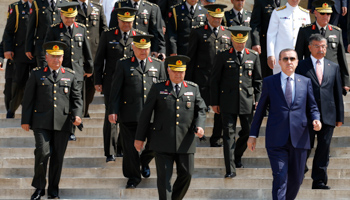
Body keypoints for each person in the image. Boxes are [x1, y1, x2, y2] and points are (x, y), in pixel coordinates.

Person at [248, 49, 322, 200]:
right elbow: (260, 110)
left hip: (300, 138)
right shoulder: (270, 82)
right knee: (280, 175)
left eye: (292, 59)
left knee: (297, 179)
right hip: (276, 139)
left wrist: (316, 118)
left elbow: (312, 106)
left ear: (297, 62)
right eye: (285, 59)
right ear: (279, 62)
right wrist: (252, 135)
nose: (289, 62)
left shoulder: (305, 82)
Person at [134, 55, 207, 200]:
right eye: (175, 71)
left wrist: (200, 126)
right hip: (162, 141)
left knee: (187, 174)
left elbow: (201, 109)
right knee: (164, 179)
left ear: (185, 72)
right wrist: (139, 138)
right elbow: (146, 115)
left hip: (186, 141)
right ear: (168, 70)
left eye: (181, 71)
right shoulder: (158, 88)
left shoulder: (193, 88)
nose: (178, 74)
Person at [21, 41, 83, 200]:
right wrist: (25, 120)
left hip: (63, 123)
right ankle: (39, 188)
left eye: (59, 57)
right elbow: (28, 99)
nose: (57, 60)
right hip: (41, 122)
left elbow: (76, 98)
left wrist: (77, 114)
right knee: (42, 152)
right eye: (53, 57)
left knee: (58, 157)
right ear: (46, 57)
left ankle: (53, 189)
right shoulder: (36, 74)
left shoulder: (70, 75)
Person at [108, 35, 167, 189]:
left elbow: (164, 91)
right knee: (129, 148)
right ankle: (133, 177)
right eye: (140, 48)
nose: (143, 51)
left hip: (153, 115)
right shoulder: (123, 64)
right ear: (133, 48)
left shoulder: (158, 65)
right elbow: (116, 90)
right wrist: (113, 110)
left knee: (154, 145)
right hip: (130, 113)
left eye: (146, 48)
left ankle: (144, 162)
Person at [94, 7, 144, 162]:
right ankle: (110, 151)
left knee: (127, 116)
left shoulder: (139, 37)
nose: (126, 25)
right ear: (118, 21)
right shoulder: (108, 35)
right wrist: (97, 81)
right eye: (123, 22)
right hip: (111, 83)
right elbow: (99, 59)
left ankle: (122, 147)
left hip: (131, 85)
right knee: (111, 116)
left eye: (129, 22)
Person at [211, 26, 262, 174]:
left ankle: (237, 155)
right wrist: (214, 102)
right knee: (228, 135)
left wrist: (258, 99)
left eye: (243, 42)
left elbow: (258, 81)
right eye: (237, 41)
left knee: (248, 131)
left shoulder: (253, 56)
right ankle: (230, 169)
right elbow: (215, 80)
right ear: (232, 39)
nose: (240, 45)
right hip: (227, 101)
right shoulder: (222, 55)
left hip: (246, 101)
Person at [296, 34, 344, 190]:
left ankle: (319, 180)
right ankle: (300, 170)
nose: (321, 49)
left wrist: (339, 116)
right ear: (310, 47)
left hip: (328, 114)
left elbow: (337, 93)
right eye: (317, 46)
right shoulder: (301, 66)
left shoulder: (333, 67)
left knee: (324, 148)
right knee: (304, 146)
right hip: (306, 114)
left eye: (323, 46)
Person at [44, 1, 94, 140]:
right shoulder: (54, 29)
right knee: (64, 102)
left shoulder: (81, 29)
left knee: (75, 100)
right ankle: (67, 128)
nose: (70, 20)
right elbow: (46, 49)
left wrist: (89, 67)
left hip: (77, 72)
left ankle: (72, 129)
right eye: (67, 17)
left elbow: (86, 50)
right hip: (62, 72)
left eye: (72, 17)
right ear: (61, 15)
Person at [186, 4, 231, 148]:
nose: (217, 20)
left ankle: (216, 138)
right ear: (207, 16)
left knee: (220, 111)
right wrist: (188, 80)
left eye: (219, 17)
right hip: (202, 78)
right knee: (198, 109)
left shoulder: (227, 33)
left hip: (221, 80)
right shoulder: (198, 32)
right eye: (214, 17)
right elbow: (191, 58)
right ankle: (195, 134)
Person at [295, 0, 350, 95]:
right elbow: (298, 56)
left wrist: (346, 81)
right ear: (315, 13)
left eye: (328, 14)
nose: (326, 16)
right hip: (311, 76)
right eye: (322, 13)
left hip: (331, 77)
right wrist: (297, 78)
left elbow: (342, 59)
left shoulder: (336, 32)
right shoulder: (305, 31)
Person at [73, 0, 108, 117]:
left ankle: (85, 108)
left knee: (91, 86)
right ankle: (79, 111)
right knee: (77, 85)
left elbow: (104, 30)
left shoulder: (97, 7)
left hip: (94, 52)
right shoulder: (71, 6)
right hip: (77, 52)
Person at [3, 0, 37, 118]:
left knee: (36, 83)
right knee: (19, 84)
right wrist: (7, 49)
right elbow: (8, 31)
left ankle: (34, 112)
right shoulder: (16, 8)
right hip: (21, 53)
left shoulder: (42, 6)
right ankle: (12, 109)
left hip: (37, 53)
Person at [266, 0, 310, 74]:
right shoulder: (277, 12)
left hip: (298, 58)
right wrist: (270, 54)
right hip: (281, 58)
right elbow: (271, 35)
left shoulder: (305, 14)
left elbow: (307, 38)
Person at [250, 0, 287, 78]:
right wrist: (256, 42)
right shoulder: (261, 1)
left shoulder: (288, 2)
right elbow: (255, 24)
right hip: (266, 46)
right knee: (266, 76)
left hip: (283, 45)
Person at [25, 0, 64, 67]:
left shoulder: (63, 2)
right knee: (44, 73)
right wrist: (28, 47)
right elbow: (31, 26)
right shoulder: (37, 3)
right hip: (42, 46)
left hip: (60, 45)